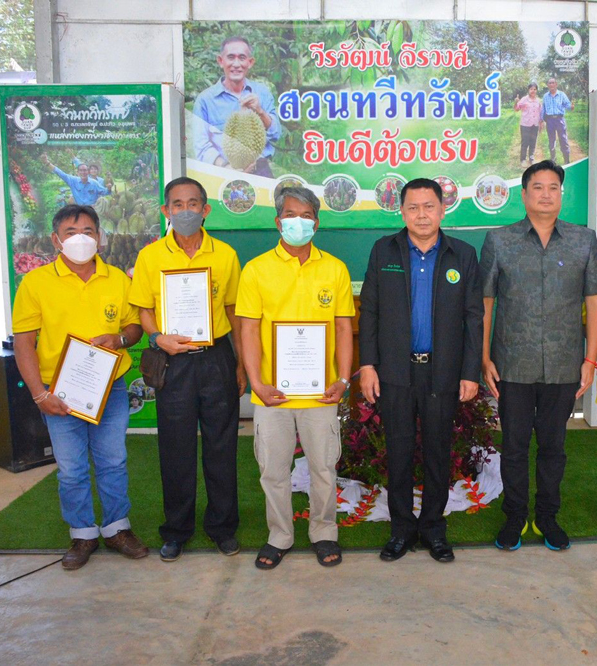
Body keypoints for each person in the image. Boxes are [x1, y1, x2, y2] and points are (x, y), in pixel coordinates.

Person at [12, 204, 147, 570]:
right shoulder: (36, 283)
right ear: (56, 240)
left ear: (100, 238)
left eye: (88, 231)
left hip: (111, 388)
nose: (80, 239)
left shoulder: (118, 279)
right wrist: (40, 394)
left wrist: (119, 338)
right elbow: (23, 341)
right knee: (71, 468)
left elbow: (134, 327)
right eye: (71, 233)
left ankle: (118, 528)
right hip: (61, 393)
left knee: (113, 460)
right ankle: (83, 533)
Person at [481, 160, 597, 551]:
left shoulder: (583, 240)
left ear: (561, 194)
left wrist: (589, 360)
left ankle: (547, 516)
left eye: (554, 187)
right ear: (524, 194)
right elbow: (485, 302)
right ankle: (515, 516)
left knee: (554, 447)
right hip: (511, 365)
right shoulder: (499, 240)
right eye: (538, 187)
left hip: (564, 364)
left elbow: (596, 302)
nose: (546, 194)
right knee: (515, 445)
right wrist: (483, 358)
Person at [360, 178, 483, 563]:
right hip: (396, 372)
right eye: (413, 207)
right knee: (398, 452)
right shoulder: (385, 251)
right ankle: (401, 530)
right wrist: (368, 365)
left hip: (442, 373)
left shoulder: (461, 255)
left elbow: (473, 318)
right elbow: (371, 313)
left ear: (442, 209)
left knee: (436, 452)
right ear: (402, 212)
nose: (422, 214)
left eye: (429, 206)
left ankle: (432, 529)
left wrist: (469, 372)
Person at [128, 176, 246, 562]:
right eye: (177, 204)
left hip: (216, 358)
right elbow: (143, 308)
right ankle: (176, 530)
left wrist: (242, 362)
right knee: (175, 449)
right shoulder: (150, 257)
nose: (185, 211)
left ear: (205, 209)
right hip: (173, 361)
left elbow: (233, 311)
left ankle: (222, 528)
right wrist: (158, 336)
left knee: (221, 446)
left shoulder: (225, 254)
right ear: (166, 211)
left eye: (193, 203)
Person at [236, 186, 354, 570]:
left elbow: (342, 328)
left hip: (321, 394)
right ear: (278, 221)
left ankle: (324, 532)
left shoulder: (334, 269)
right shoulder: (256, 270)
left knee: (324, 468)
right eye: (290, 215)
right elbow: (249, 330)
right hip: (273, 394)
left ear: (316, 223)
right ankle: (280, 535)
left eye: (306, 216)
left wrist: (344, 380)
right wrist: (256, 382)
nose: (298, 222)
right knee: (273, 470)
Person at [192, 35, 280, 177]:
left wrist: (260, 111)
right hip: (222, 171)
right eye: (231, 57)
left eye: (242, 58)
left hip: (261, 171)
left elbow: (275, 135)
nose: (236, 64)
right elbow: (201, 145)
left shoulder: (262, 93)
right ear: (221, 61)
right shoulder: (205, 100)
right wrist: (226, 167)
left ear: (250, 62)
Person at [42, 155, 110, 206]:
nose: (83, 172)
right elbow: (60, 173)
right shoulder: (73, 181)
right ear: (78, 173)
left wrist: (109, 188)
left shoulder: (94, 183)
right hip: (78, 210)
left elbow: (105, 192)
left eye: (85, 170)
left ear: (88, 172)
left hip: (91, 210)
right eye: (81, 170)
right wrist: (47, 163)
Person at [539, 78, 573, 164]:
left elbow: (568, 104)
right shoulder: (545, 96)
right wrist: (541, 120)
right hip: (549, 121)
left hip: (560, 120)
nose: (551, 85)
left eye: (553, 83)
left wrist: (571, 107)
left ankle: (566, 161)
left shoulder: (561, 95)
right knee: (551, 141)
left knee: (563, 140)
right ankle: (553, 160)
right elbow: (543, 108)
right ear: (548, 85)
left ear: (556, 84)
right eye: (549, 83)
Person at [514, 82, 541, 168]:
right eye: (531, 89)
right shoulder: (524, 99)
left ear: (536, 90)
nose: (533, 91)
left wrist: (541, 123)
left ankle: (531, 158)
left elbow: (540, 112)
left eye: (534, 89)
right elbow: (516, 109)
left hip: (535, 124)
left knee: (533, 142)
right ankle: (523, 160)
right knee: (525, 142)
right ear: (528, 90)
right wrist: (516, 102)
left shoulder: (538, 101)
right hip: (525, 124)